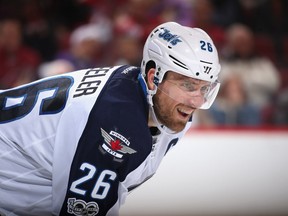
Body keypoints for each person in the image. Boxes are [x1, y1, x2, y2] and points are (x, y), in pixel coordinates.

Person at [0, 22, 221, 216]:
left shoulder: (157, 102)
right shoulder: (116, 123)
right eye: (187, 84)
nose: (196, 102)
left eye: (204, 88)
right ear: (154, 78)